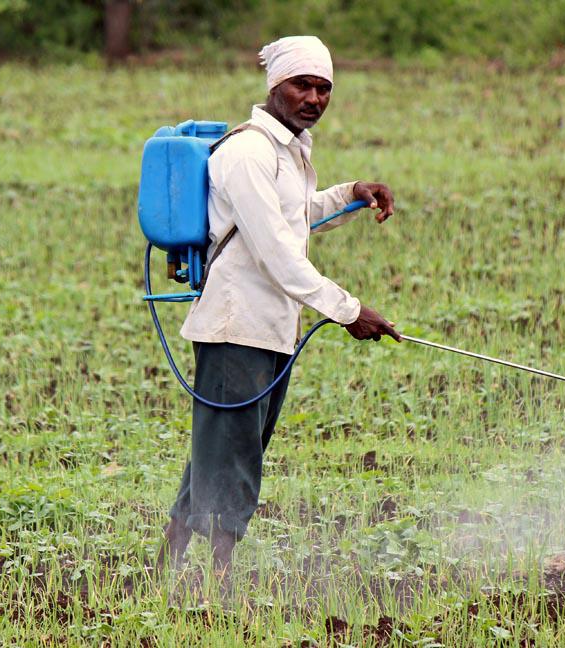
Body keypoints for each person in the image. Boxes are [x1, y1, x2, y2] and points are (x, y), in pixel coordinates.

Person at [157, 35, 400, 575]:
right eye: (302, 85)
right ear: (275, 86)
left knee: (221, 454)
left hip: (270, 330)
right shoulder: (248, 152)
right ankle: (217, 589)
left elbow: (296, 215)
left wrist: (350, 193)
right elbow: (275, 251)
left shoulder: (287, 152)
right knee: (233, 459)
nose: (313, 98)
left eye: (323, 88)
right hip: (235, 328)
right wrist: (347, 310)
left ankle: (162, 570)